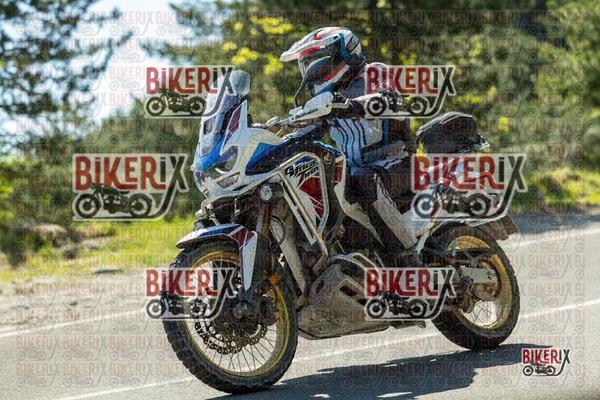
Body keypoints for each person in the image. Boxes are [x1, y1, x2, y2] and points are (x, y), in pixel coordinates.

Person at [279, 27, 429, 266]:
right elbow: (307, 132)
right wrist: (275, 142)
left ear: (344, 53)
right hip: (356, 168)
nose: (314, 70)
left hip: (398, 163)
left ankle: (407, 257)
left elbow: (388, 101)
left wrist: (347, 105)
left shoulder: (373, 73)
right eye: (309, 64)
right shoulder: (331, 97)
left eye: (320, 61)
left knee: (364, 179)